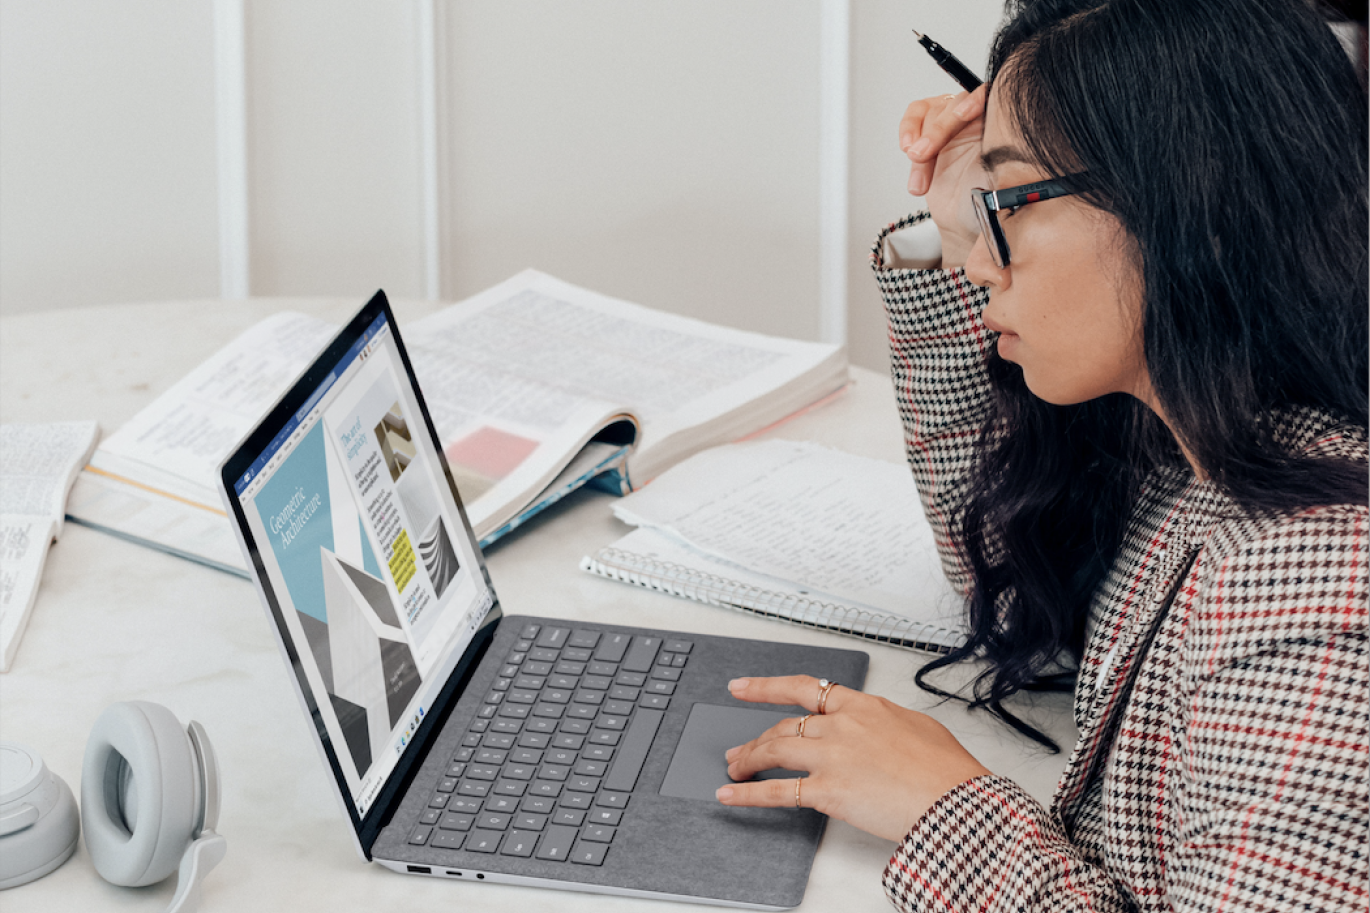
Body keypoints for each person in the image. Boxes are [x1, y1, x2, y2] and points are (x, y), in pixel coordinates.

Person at [715, 0, 1369, 910]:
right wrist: (956, 219)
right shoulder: (1207, 445)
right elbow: (1009, 569)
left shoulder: (1315, 569)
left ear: (1183, 202)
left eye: (1007, 199)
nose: (979, 265)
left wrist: (947, 808)